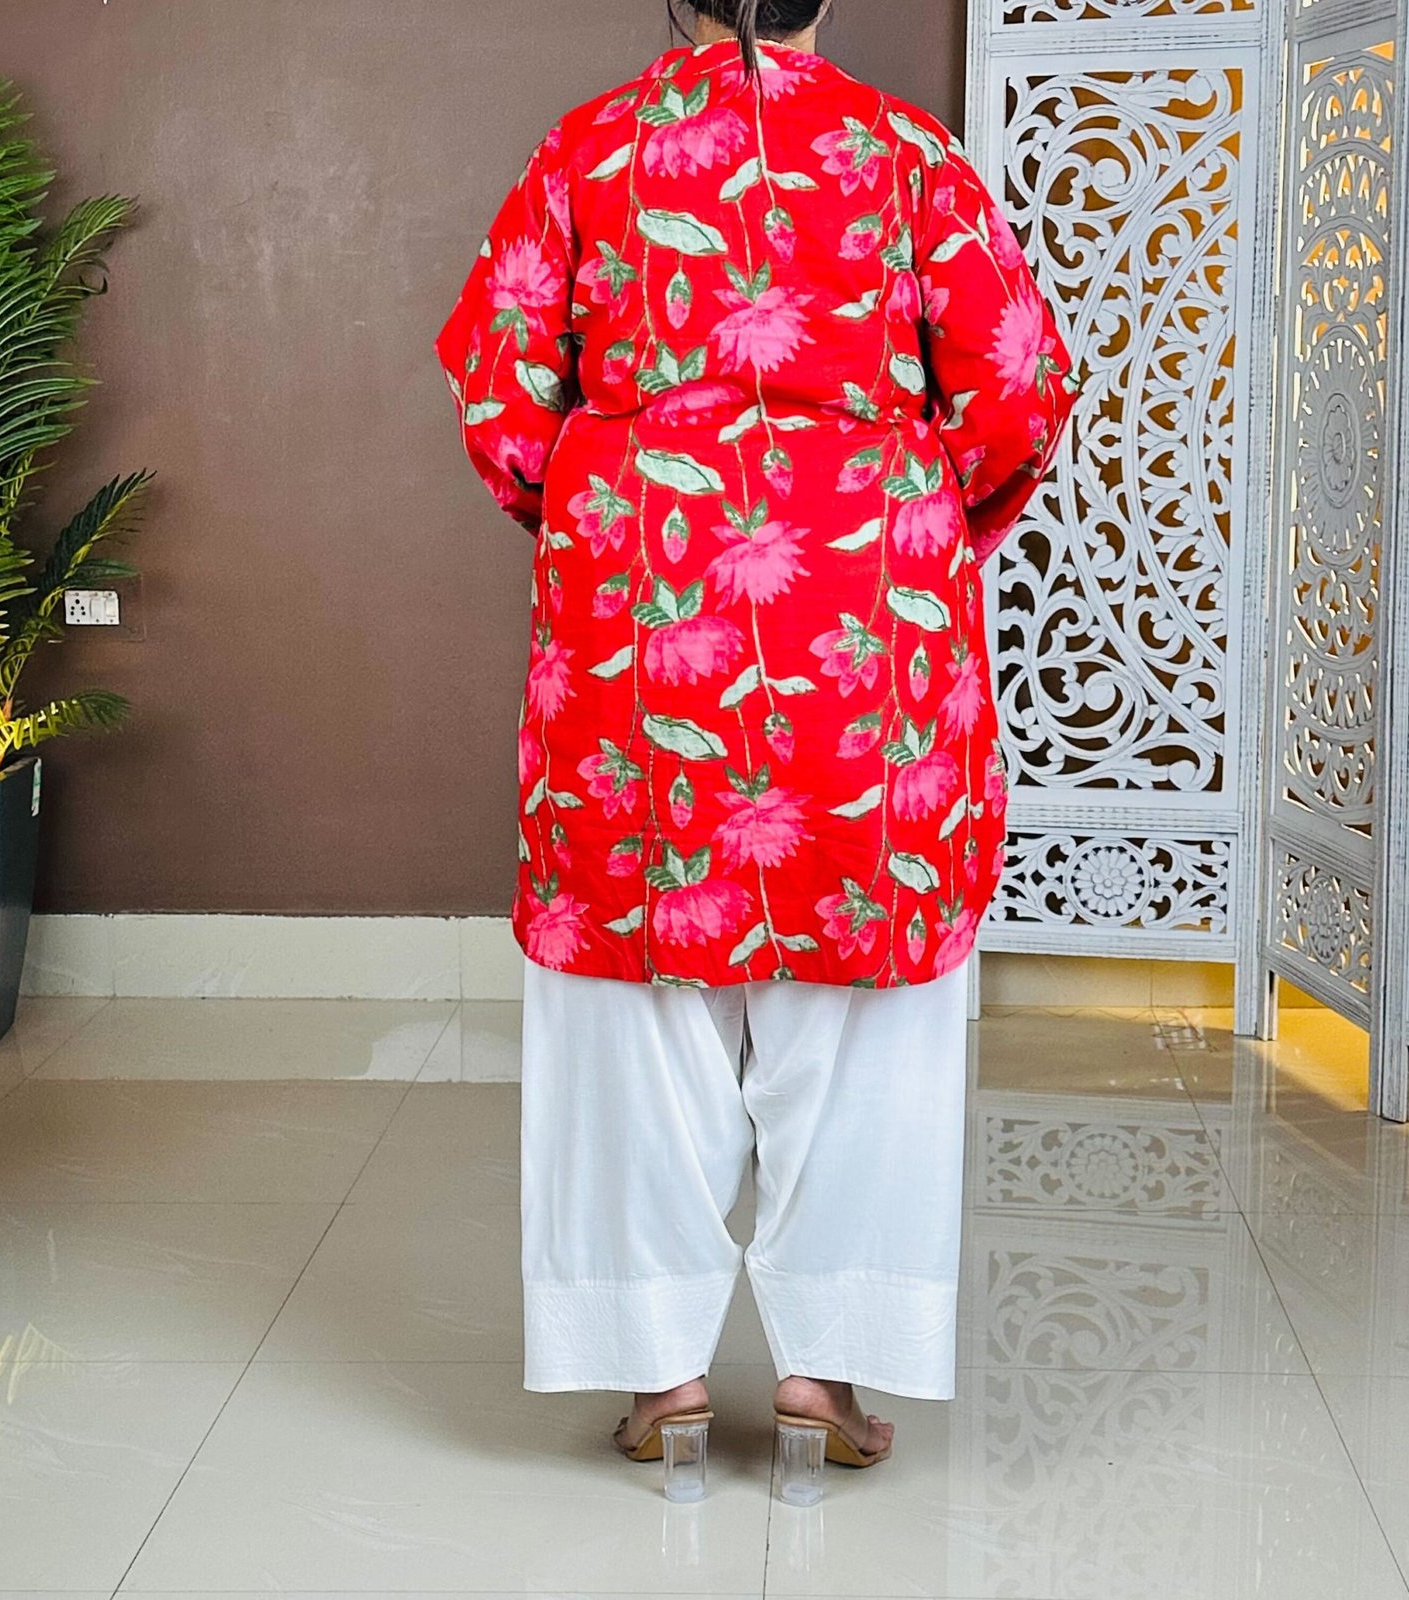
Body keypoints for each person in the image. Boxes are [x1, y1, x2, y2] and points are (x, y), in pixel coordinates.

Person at [435, 0, 1078, 1472]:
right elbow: (1018, 392)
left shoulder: (588, 150)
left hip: (642, 612)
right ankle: (826, 1377)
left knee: (630, 994)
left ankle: (657, 1374)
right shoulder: (910, 154)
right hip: (867, 615)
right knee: (867, 1004)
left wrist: (600, 510)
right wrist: (916, 517)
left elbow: (500, 394)